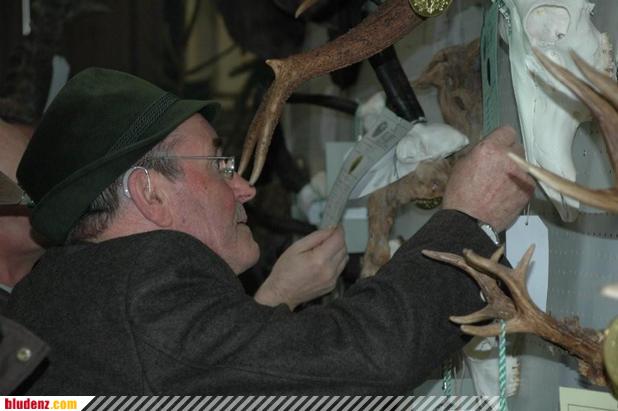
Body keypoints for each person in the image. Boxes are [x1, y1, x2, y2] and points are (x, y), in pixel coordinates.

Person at [6, 68, 533, 394]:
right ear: (151, 194)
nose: (245, 189)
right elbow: (373, 356)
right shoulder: (144, 287)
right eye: (219, 165)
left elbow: (189, 378)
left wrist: (273, 301)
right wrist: (468, 219)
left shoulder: (50, 298)